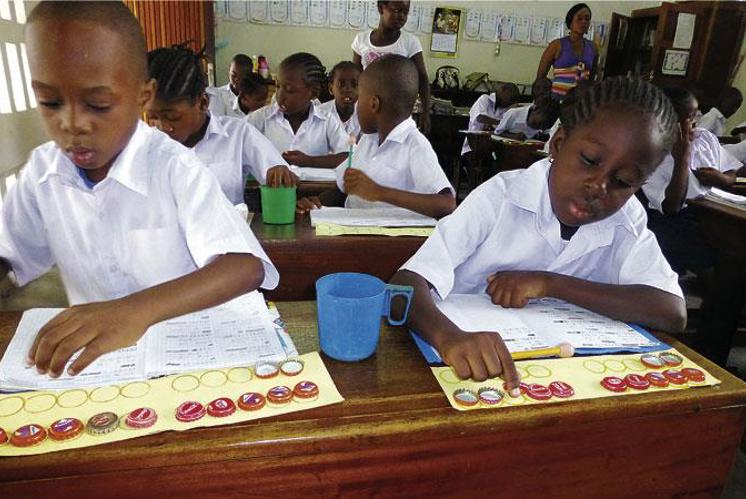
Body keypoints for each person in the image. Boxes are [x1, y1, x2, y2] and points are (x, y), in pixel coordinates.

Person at [4, 2, 278, 378]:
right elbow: (8, 253)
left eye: (98, 104)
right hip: (97, 364)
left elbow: (244, 267)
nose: (71, 124)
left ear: (142, 96)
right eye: (50, 102)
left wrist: (133, 310)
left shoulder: (174, 167)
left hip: (181, 357)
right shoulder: (42, 173)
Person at [391, 77, 686, 385]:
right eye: (588, 161)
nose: (598, 187)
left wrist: (548, 283)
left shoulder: (626, 219)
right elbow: (403, 286)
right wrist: (448, 337)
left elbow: (672, 311)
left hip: (560, 376)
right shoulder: (500, 197)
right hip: (459, 370)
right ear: (557, 145)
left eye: (623, 181)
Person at [296, 55, 456, 219]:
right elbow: (342, 188)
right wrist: (316, 203)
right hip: (352, 232)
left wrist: (379, 192)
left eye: (360, 98)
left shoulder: (414, 144)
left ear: (374, 104)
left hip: (391, 242)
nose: (356, 107)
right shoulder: (368, 140)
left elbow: (446, 204)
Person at [145, 45, 296, 205]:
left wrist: (280, 172)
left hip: (224, 229)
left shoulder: (238, 134)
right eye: (153, 117)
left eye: (172, 117)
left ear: (203, 103)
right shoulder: (144, 145)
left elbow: (279, 173)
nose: (162, 127)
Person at [642, 86, 743, 273]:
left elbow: (733, 171)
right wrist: (683, 158)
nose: (696, 123)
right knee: (727, 261)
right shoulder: (651, 151)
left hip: (716, 211)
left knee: (734, 250)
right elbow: (671, 207)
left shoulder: (705, 138)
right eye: (688, 118)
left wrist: (723, 178)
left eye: (696, 115)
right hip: (675, 220)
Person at [247, 52, 349, 171]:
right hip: (273, 189)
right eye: (278, 86)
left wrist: (309, 161)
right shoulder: (260, 119)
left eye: (290, 90)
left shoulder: (327, 121)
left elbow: (348, 155)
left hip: (315, 189)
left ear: (313, 93)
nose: (279, 96)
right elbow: (235, 143)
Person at [351, 1, 431, 134]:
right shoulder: (361, 40)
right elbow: (356, 77)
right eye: (396, 11)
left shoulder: (410, 42)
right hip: (367, 108)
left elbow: (422, 78)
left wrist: (426, 112)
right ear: (381, 8)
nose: (402, 16)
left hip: (397, 110)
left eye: (405, 12)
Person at [537, 3, 598, 100]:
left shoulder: (593, 48)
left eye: (587, 19)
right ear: (570, 21)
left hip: (581, 104)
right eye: (579, 18)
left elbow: (591, 78)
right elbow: (540, 78)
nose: (583, 22)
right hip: (557, 101)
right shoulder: (556, 45)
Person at [461, 82, 520, 156]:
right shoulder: (485, 99)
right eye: (511, 98)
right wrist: (500, 122)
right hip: (473, 147)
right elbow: (480, 118)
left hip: (492, 149)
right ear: (503, 90)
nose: (510, 102)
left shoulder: (504, 109)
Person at [317, 61, 362, 139]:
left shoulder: (366, 115)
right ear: (331, 89)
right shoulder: (319, 114)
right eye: (341, 84)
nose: (348, 89)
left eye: (354, 84)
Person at [493, 95, 560, 141]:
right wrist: (513, 136)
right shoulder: (513, 114)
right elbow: (496, 133)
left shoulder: (546, 123)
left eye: (540, 128)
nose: (536, 128)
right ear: (535, 109)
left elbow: (545, 135)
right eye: (535, 123)